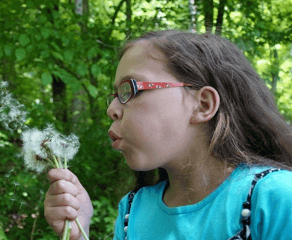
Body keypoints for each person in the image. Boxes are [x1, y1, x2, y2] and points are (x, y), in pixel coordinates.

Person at [44, 30, 292, 240]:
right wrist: (78, 232)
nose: (111, 110)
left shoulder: (274, 198)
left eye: (130, 89)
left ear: (203, 105)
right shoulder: (133, 209)